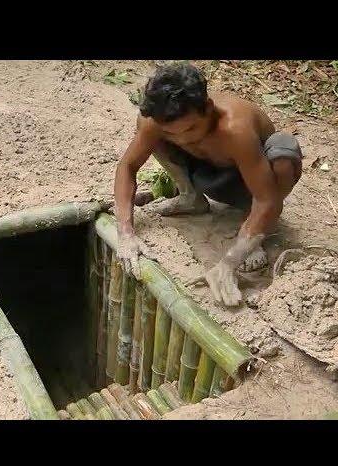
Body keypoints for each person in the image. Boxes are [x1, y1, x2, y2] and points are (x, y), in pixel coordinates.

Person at [113, 62, 303, 306]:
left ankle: (253, 229)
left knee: (284, 150)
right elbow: (127, 166)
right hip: (206, 173)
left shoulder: (236, 129)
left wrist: (230, 262)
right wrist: (125, 232)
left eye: (191, 128)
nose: (182, 138)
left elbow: (267, 199)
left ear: (209, 109)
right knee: (147, 134)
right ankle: (190, 197)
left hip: (251, 184)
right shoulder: (155, 122)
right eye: (172, 133)